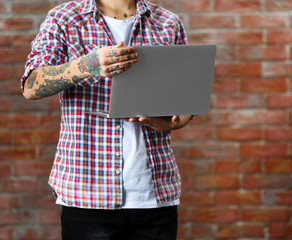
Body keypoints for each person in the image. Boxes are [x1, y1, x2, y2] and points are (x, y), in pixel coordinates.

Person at [21, 0, 191, 239]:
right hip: (87, 194)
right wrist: (87, 64)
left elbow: (185, 101)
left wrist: (176, 121)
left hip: (156, 195)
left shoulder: (167, 22)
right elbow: (31, 85)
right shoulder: (64, 18)